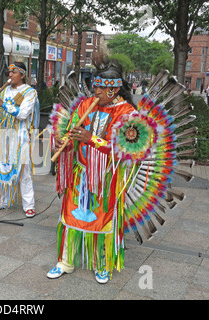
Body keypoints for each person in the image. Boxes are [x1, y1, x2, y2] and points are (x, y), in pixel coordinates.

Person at [47, 56, 136, 284]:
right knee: (70, 213)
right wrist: (63, 142)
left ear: (113, 89)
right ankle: (65, 261)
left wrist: (92, 139)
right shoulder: (85, 105)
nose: (94, 90)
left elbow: (125, 150)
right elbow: (71, 131)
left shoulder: (127, 113)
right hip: (81, 173)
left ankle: (102, 264)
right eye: (94, 85)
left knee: (102, 219)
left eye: (99, 87)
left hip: (106, 178)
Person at [0, 61, 40, 218]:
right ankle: (2, 201)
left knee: (24, 171)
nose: (10, 75)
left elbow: (22, 114)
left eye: (14, 72)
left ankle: (29, 205)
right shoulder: (3, 91)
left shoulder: (29, 92)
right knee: (0, 169)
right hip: (4, 136)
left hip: (20, 137)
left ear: (22, 74)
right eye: (9, 73)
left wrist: (0, 103)